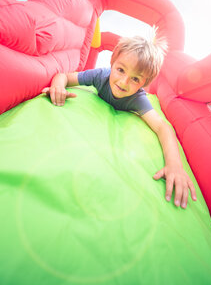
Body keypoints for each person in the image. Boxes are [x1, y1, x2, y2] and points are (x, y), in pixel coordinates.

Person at [42, 34, 197, 209]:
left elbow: (162, 127)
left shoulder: (138, 99)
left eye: (135, 79)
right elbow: (65, 76)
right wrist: (58, 87)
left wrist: (174, 165)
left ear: (144, 83)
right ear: (112, 62)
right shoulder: (101, 76)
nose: (123, 82)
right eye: (121, 70)